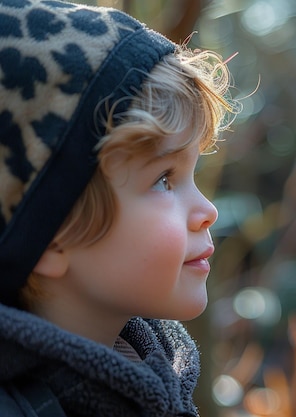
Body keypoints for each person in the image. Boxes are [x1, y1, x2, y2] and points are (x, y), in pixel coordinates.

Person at [0, 1, 237, 415]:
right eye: (164, 179)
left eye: (192, 174)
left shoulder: (156, 372)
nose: (207, 210)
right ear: (52, 236)